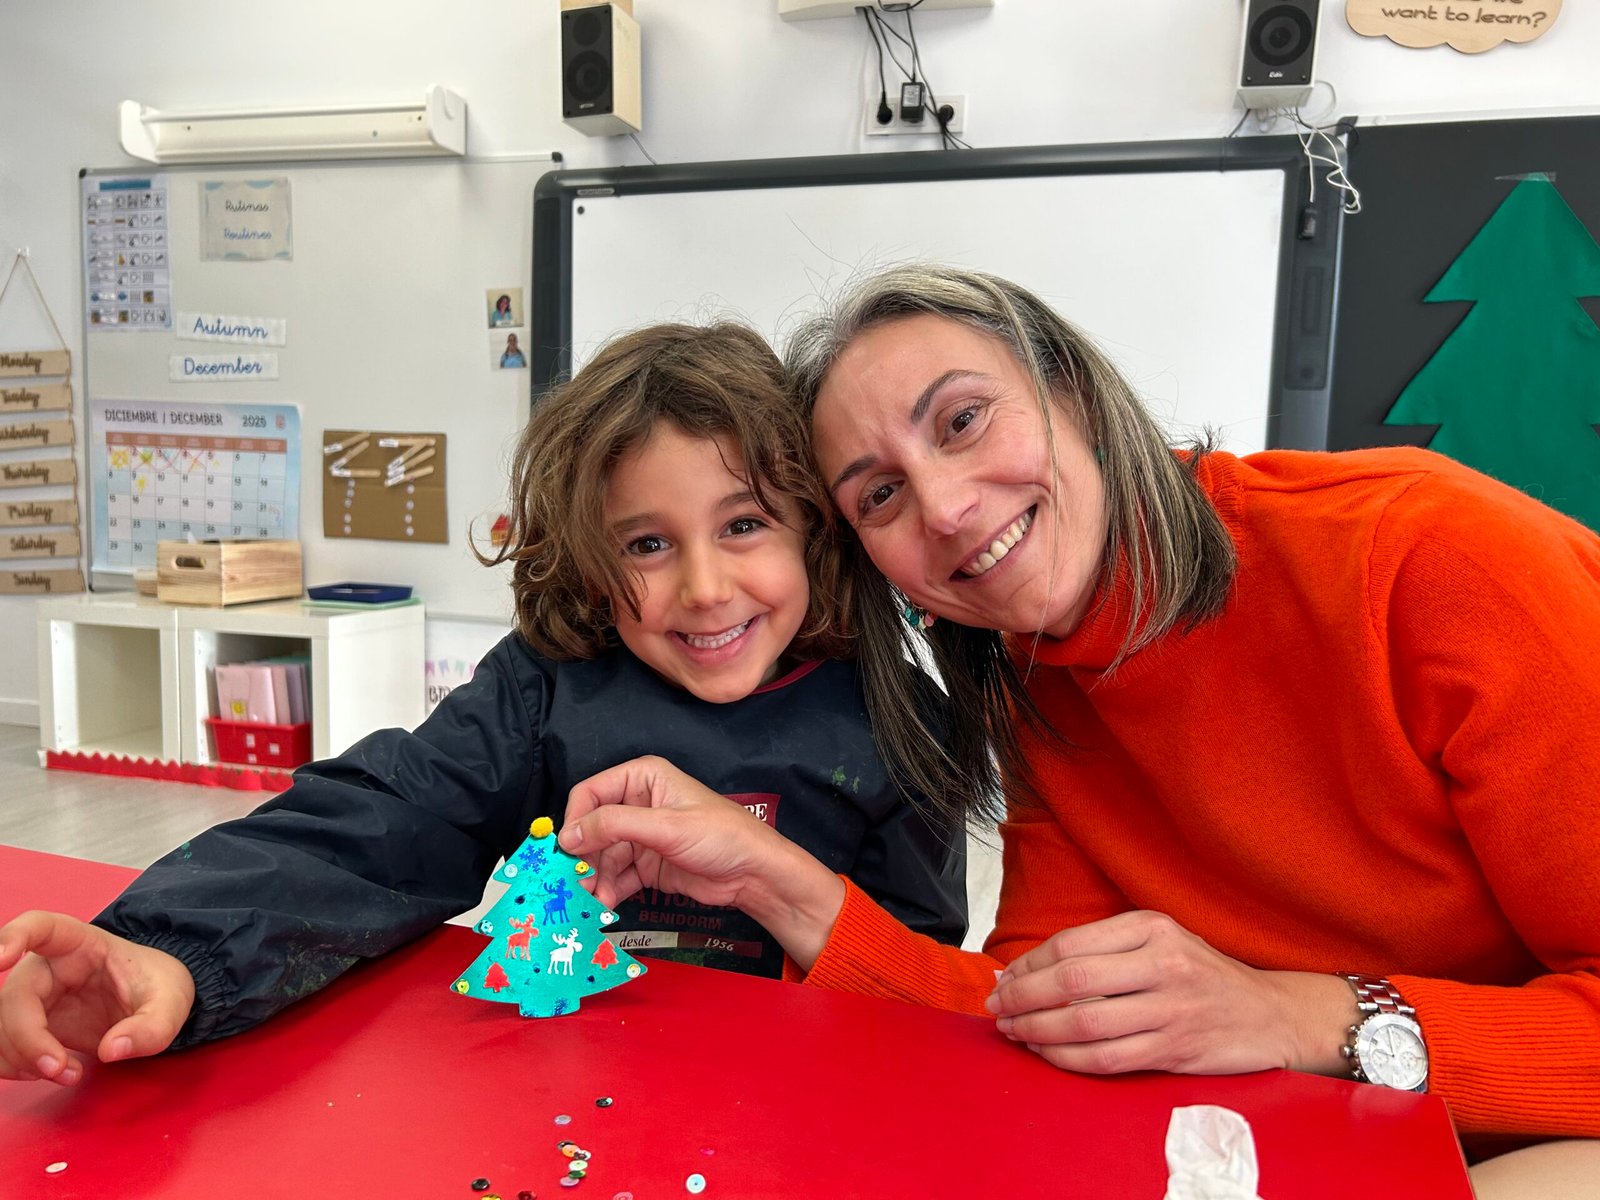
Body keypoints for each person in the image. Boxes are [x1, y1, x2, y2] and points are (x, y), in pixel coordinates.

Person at [556, 265, 1600, 1196]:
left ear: (1077, 395)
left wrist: (1297, 1014)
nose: (946, 509)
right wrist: (771, 880)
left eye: (963, 421)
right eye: (880, 495)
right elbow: (1024, 1011)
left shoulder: (1426, 556)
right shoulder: (1036, 678)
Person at [0, 321, 970, 1086]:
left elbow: (916, 975)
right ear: (587, 561)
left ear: (814, 530)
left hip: (792, 1110)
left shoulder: (899, 724)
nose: (706, 588)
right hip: (567, 1096)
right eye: (646, 544)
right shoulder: (547, 686)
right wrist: (171, 951)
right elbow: (378, 826)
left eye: (745, 524)